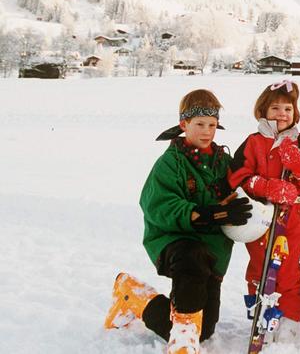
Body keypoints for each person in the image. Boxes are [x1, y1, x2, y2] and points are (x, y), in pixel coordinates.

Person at [104, 89, 253, 354]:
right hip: (173, 242)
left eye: (212, 125)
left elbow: (242, 188)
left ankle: (133, 296)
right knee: (191, 257)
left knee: (205, 329)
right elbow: (157, 205)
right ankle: (182, 344)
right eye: (199, 125)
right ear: (184, 124)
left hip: (213, 254)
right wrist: (210, 214)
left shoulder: (224, 163)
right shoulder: (170, 162)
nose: (206, 131)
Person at [228, 80, 300, 342]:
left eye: (288, 109)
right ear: (263, 111)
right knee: (260, 264)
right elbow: (238, 175)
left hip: (293, 215)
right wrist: (264, 186)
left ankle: (291, 316)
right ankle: (263, 312)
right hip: (261, 215)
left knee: (288, 265)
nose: (282, 114)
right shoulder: (253, 142)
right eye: (275, 108)